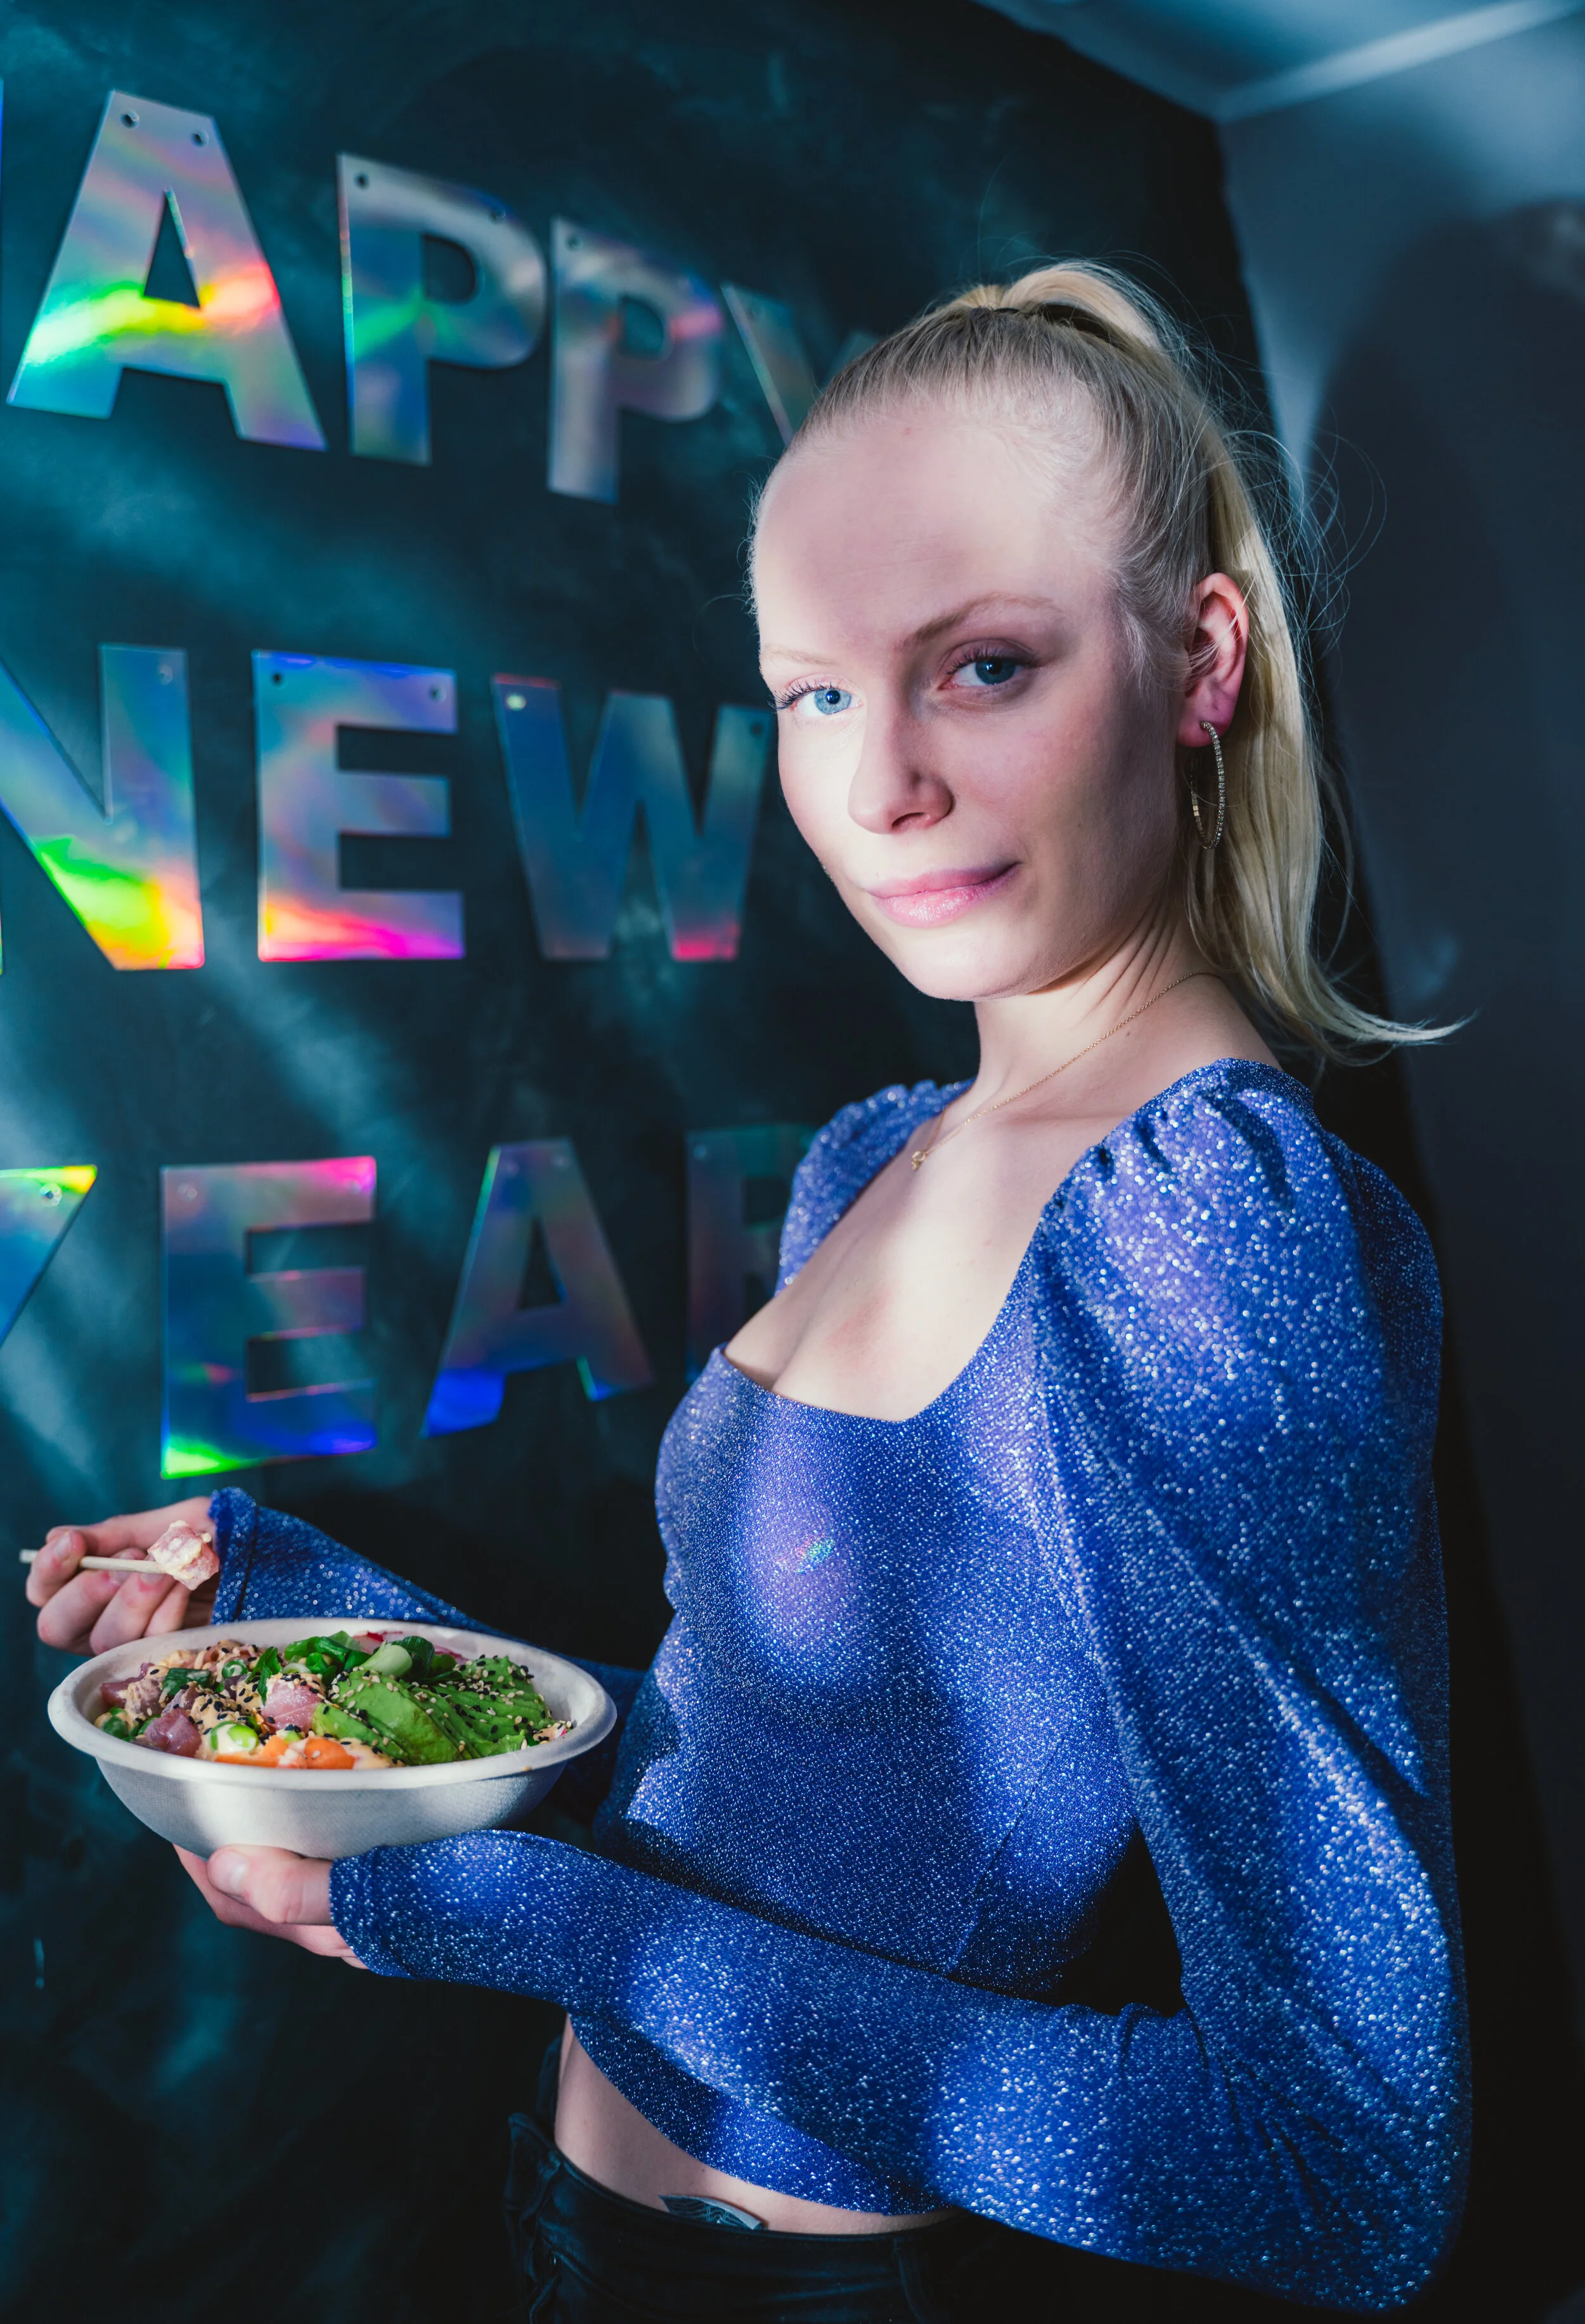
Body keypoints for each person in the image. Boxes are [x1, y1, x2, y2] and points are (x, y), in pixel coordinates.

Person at [29, 264, 1468, 2321]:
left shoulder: (1202, 1224)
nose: (874, 786)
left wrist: (510, 1924)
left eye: (978, 665)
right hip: (568, 2220)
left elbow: (1336, 2174)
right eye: (811, 690)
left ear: (1198, 660)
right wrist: (301, 1622)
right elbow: (749, 1794)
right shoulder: (874, 1154)